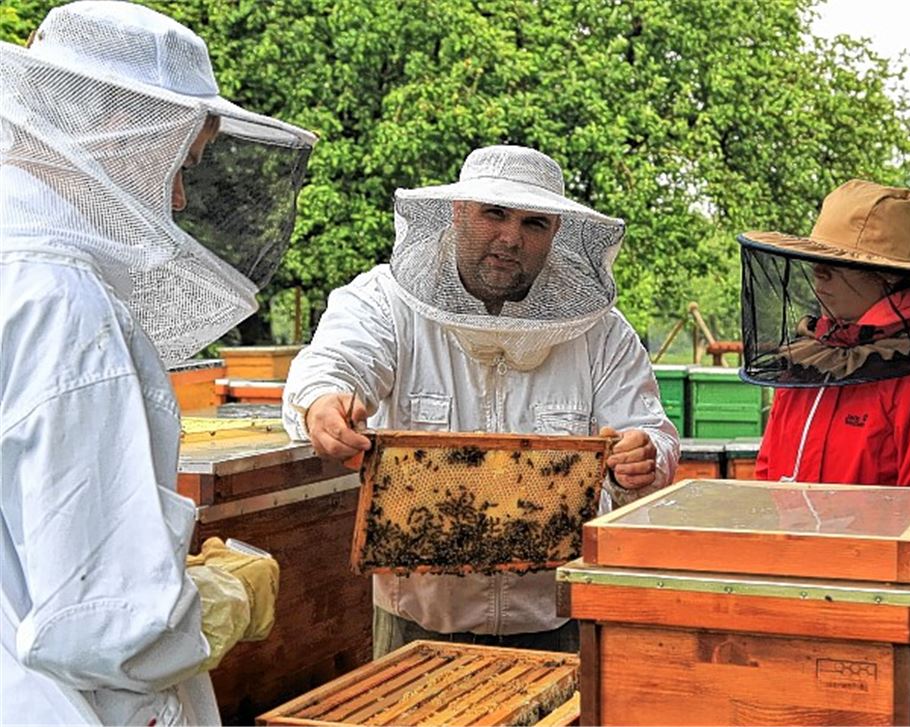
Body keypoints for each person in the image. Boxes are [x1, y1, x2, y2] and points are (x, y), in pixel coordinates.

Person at [0, 2, 316, 724]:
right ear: (119, 130)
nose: (178, 197)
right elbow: (107, 626)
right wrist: (215, 601)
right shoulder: (62, 305)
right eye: (186, 163)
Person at [283, 144, 680, 655]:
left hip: (559, 623)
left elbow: (652, 432)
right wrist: (323, 402)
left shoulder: (601, 335)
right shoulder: (385, 303)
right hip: (417, 624)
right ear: (457, 211)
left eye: (534, 223)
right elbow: (333, 364)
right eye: (495, 213)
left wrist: (642, 455)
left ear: (555, 233)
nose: (510, 237)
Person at [737, 179, 910, 523]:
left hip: (877, 570)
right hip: (792, 564)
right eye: (817, 258)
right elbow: (767, 478)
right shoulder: (809, 357)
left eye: (840, 263)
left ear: (890, 276)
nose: (817, 272)